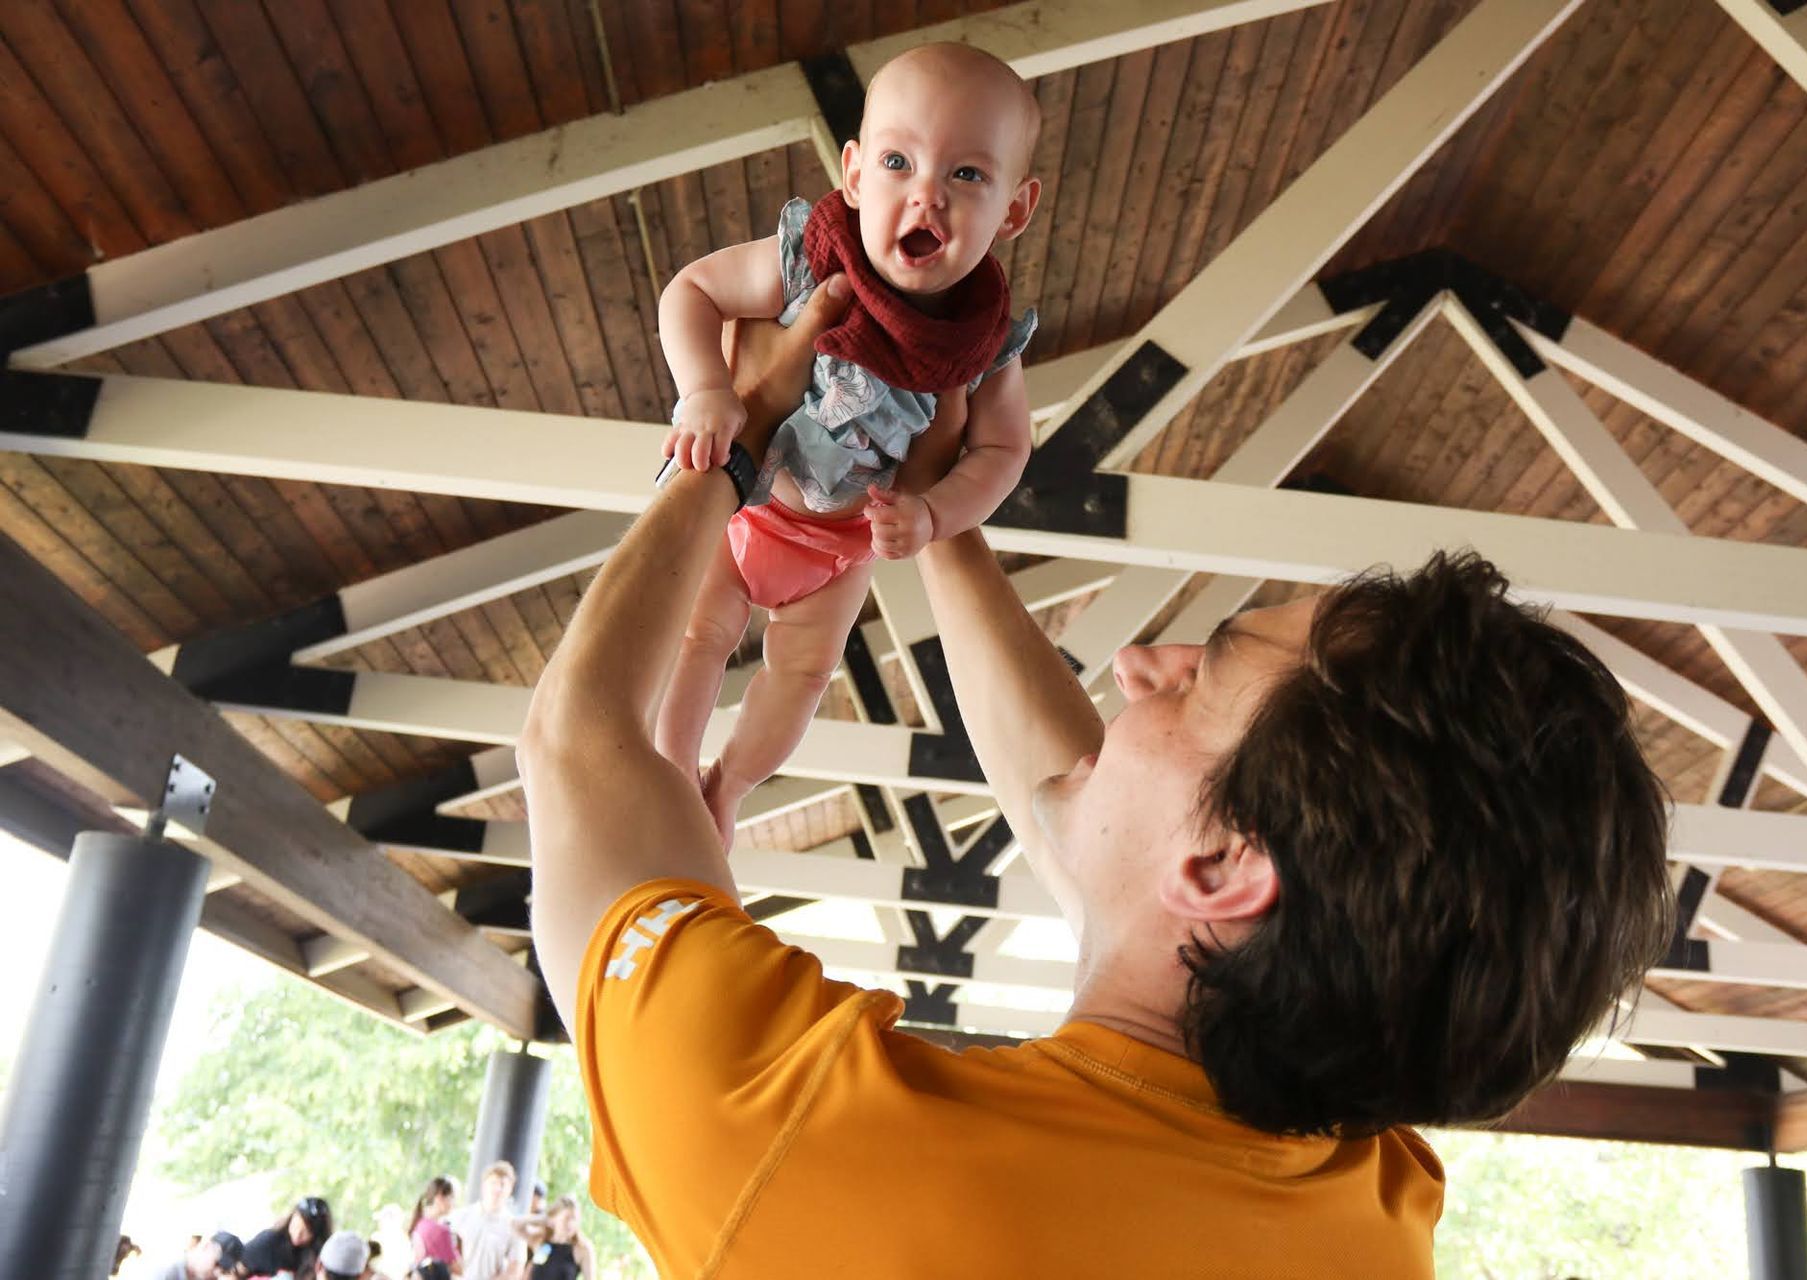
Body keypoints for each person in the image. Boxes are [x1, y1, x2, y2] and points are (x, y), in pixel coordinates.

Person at [519, 263, 1675, 1274]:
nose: (1140, 665)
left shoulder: (819, 1141)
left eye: (1202, 677)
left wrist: (732, 439)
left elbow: (578, 744)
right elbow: (1098, 825)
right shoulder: (1363, 1203)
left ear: (1225, 866)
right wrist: (937, 518)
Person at [651, 41, 1044, 852]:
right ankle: (670, 770)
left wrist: (935, 514)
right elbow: (692, 290)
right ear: (856, 174)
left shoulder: (986, 345)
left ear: (1015, 209)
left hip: (839, 546)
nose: (927, 194)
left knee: (802, 675)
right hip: (747, 503)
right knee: (697, 637)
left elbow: (1004, 451)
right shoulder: (808, 262)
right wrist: (704, 390)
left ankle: (729, 786)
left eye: (968, 174)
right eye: (899, 162)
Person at [445, 1162, 525, 1280]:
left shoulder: (514, 1226)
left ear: (510, 1189)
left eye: (503, 1184)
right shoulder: (460, 1217)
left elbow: (515, 1271)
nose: (497, 1189)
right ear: (484, 1185)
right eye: (493, 1183)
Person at [241, 1197, 329, 1278]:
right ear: (291, 1218)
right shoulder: (268, 1242)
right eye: (296, 1226)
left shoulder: (321, 1257)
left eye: (306, 1232)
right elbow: (237, 1269)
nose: (297, 1235)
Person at [524, 1197, 592, 1280]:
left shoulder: (582, 1248)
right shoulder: (541, 1241)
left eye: (574, 1219)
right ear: (554, 1219)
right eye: (566, 1218)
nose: (570, 1224)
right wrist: (545, 1219)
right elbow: (515, 1225)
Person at [407, 1176, 460, 1279]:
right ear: (440, 1197)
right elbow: (458, 1268)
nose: (453, 1203)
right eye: (452, 1197)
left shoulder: (419, 1224)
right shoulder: (441, 1231)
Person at [135, 1230, 245, 1280]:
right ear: (206, 1247)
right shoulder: (164, 1268)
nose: (218, 1273)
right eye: (217, 1264)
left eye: (224, 1270)